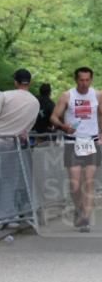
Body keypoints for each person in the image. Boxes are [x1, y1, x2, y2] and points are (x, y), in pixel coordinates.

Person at [0, 68, 40, 221]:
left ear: (15, 82)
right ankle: (7, 213)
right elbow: (28, 127)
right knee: (10, 178)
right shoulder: (35, 102)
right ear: (30, 83)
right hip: (14, 143)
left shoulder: (5, 95)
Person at [49, 67, 101, 232]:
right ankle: (78, 209)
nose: (84, 83)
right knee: (75, 183)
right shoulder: (67, 95)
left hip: (91, 141)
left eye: (87, 80)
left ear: (91, 80)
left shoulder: (97, 95)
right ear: (76, 80)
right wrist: (63, 126)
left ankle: (85, 218)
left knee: (89, 181)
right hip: (72, 142)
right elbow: (53, 117)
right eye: (81, 80)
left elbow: (101, 115)